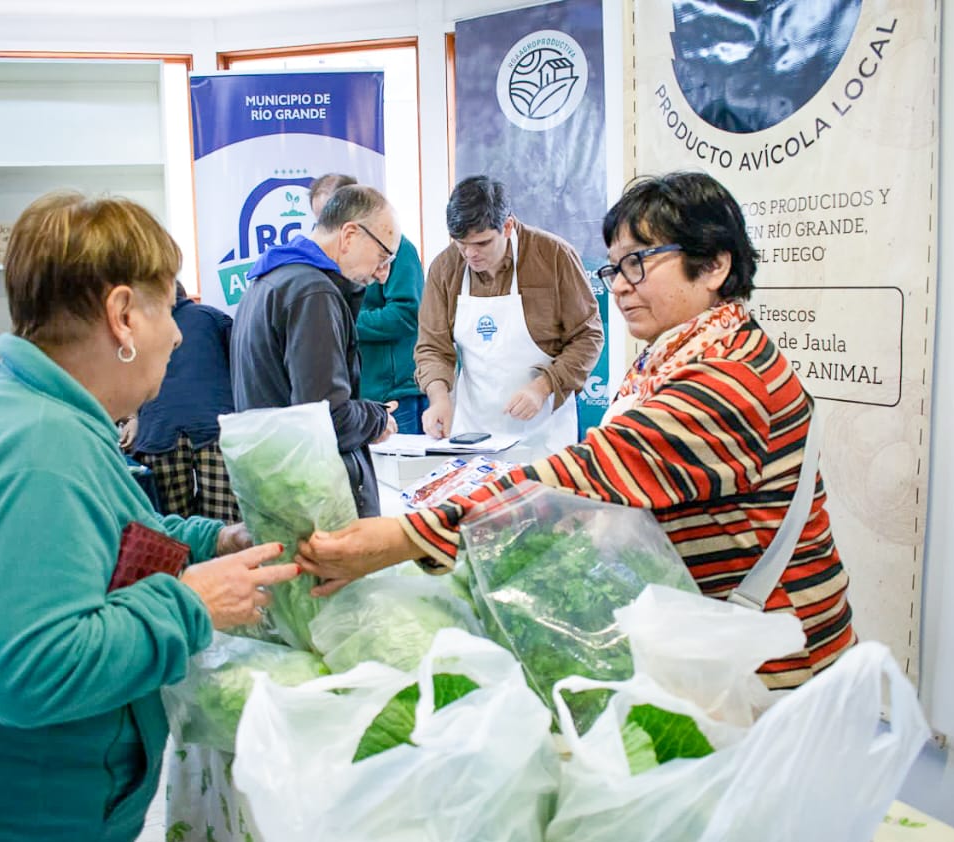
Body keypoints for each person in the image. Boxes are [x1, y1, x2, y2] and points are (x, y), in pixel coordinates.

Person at [0, 191, 298, 842]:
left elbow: (109, 539)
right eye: (167, 308)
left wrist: (214, 542)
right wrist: (193, 602)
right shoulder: (33, 445)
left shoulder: (33, 412)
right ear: (122, 315)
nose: (176, 334)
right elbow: (29, 670)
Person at [300, 172, 856, 690]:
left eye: (639, 263)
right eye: (615, 269)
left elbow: (586, 476)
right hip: (720, 638)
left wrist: (402, 539)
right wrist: (440, 393)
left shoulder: (728, 378)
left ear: (712, 265)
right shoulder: (688, 353)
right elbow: (434, 345)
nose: (621, 287)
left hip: (772, 663)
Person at [228, 184, 400, 519]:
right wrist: (376, 418)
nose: (383, 274)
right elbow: (326, 419)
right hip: (313, 498)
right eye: (383, 257)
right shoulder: (313, 294)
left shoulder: (269, 281)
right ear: (349, 235)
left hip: (279, 487)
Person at [415, 175, 604, 456]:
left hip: (543, 429)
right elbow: (432, 346)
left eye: (482, 243)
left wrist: (543, 387)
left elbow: (588, 336)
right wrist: (439, 398)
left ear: (507, 226)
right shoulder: (445, 267)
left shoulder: (554, 256)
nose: (470, 254)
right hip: (473, 428)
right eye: (461, 243)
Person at [309, 173, 428, 434]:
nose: (330, 229)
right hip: (357, 392)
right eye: (321, 219)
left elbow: (406, 314)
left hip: (396, 392)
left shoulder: (395, 248)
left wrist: (343, 320)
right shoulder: (312, 274)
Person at [123, 280, 239, 522]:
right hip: (216, 429)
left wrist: (133, 418)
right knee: (222, 524)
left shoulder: (136, 327)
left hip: (158, 432)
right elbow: (242, 367)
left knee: (172, 525)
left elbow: (126, 376)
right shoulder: (213, 317)